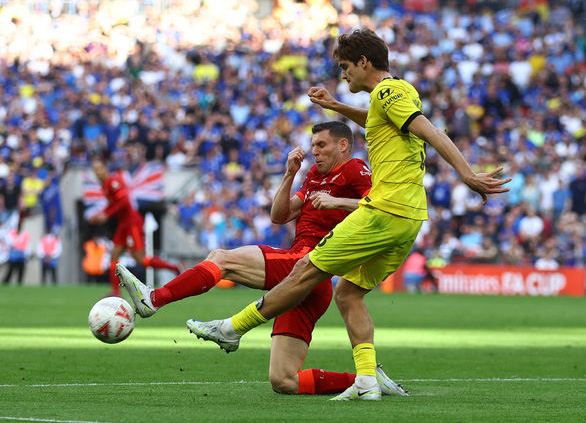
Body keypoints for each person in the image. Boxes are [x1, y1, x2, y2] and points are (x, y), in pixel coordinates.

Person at [186, 29, 512, 401]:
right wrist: (337, 107)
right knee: (348, 293)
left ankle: (232, 328)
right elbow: (379, 120)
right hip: (409, 218)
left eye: (345, 67)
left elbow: (430, 131)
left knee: (305, 270)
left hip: (385, 210)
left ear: (363, 62)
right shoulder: (393, 95)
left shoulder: (389, 92)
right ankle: (367, 380)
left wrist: (467, 173)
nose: (343, 75)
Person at [117, 121, 408, 397]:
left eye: (321, 144)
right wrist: (289, 174)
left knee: (222, 259)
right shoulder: (315, 176)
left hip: (309, 261)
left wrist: (338, 202)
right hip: (309, 282)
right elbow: (279, 216)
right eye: (313, 145)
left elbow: (377, 209)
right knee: (284, 380)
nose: (314, 151)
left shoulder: (355, 169)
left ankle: (154, 299)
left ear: (343, 145)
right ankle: (365, 379)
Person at [89, 158, 182, 296]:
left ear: (105, 169)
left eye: (99, 169)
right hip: (123, 224)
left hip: (132, 223)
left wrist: (107, 215)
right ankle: (116, 292)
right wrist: (101, 214)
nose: (97, 173)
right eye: (95, 170)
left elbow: (125, 201)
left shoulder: (114, 182)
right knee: (114, 256)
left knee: (141, 260)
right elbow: (114, 204)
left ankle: (175, 267)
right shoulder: (105, 186)